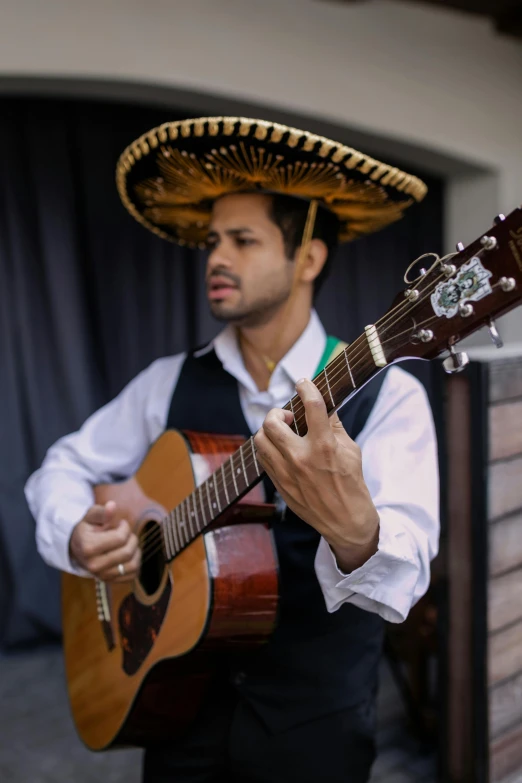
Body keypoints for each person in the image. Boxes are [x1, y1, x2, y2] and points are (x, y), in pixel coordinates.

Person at [25, 117, 439, 783]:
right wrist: (76, 534)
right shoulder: (168, 381)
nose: (216, 256)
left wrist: (356, 529)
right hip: (177, 716)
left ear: (308, 257)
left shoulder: (386, 397)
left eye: (243, 240)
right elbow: (63, 465)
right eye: (214, 240)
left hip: (314, 737)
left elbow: (404, 574)